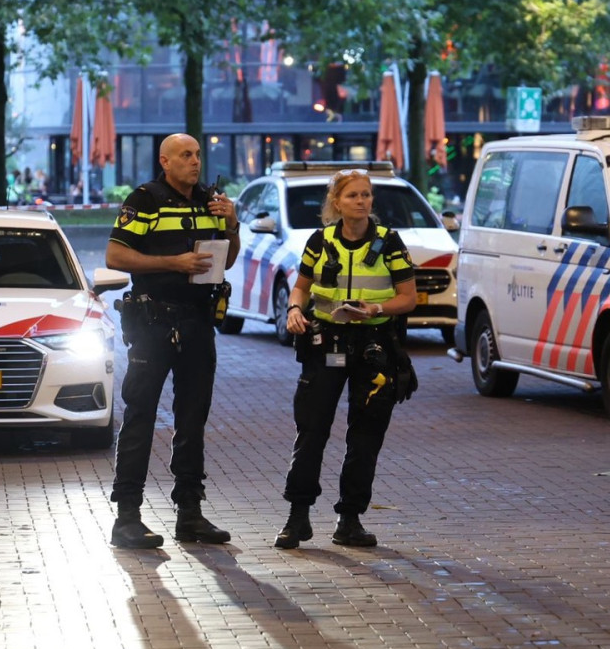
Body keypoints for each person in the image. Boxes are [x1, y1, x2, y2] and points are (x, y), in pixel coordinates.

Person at [104, 133, 241, 549]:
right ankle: (127, 516)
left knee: (193, 419)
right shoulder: (145, 199)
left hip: (198, 321)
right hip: (152, 322)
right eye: (186, 155)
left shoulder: (209, 200)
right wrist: (172, 262)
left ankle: (190, 513)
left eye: (198, 154)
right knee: (140, 415)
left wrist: (232, 224)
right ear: (165, 161)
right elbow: (116, 256)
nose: (195, 161)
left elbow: (226, 259)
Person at [274, 169, 418, 550]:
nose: (362, 201)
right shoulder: (319, 241)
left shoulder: (389, 242)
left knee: (366, 435)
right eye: (354, 196)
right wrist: (293, 309)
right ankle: (297, 517)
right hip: (326, 343)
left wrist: (375, 309)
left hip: (373, 345)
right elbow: (301, 286)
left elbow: (409, 298)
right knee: (311, 430)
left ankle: (349, 520)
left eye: (367, 195)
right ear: (337, 203)